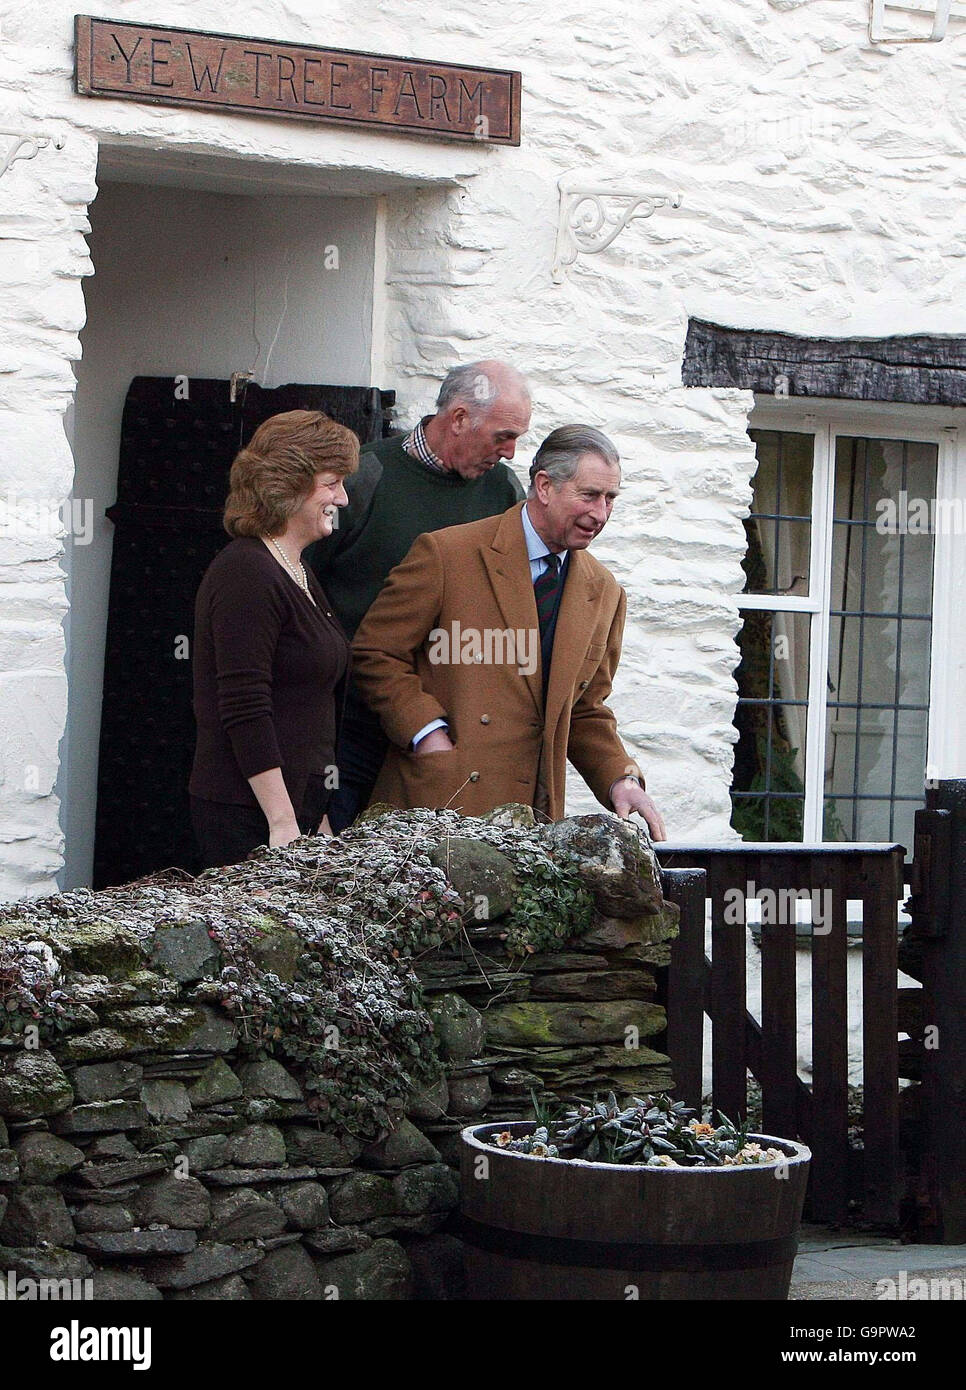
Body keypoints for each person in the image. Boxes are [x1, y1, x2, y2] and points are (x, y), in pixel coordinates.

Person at [351, 424, 666, 840]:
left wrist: (620, 778)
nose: (601, 513)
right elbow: (376, 653)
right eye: (589, 495)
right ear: (544, 486)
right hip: (436, 810)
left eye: (611, 499)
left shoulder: (604, 591)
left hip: (532, 824)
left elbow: (585, 708)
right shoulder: (446, 553)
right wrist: (427, 734)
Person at [305, 360, 530, 832]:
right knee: (326, 862)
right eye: (502, 436)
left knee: (419, 878)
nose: (510, 452)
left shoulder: (503, 494)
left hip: (443, 726)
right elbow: (301, 581)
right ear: (460, 418)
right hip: (349, 722)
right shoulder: (365, 478)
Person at [189, 410, 358, 868]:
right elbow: (244, 703)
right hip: (250, 818)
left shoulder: (295, 567)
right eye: (332, 483)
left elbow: (308, 710)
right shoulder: (247, 570)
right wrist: (282, 823)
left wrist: (316, 821)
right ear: (288, 483)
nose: (342, 498)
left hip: (295, 815)